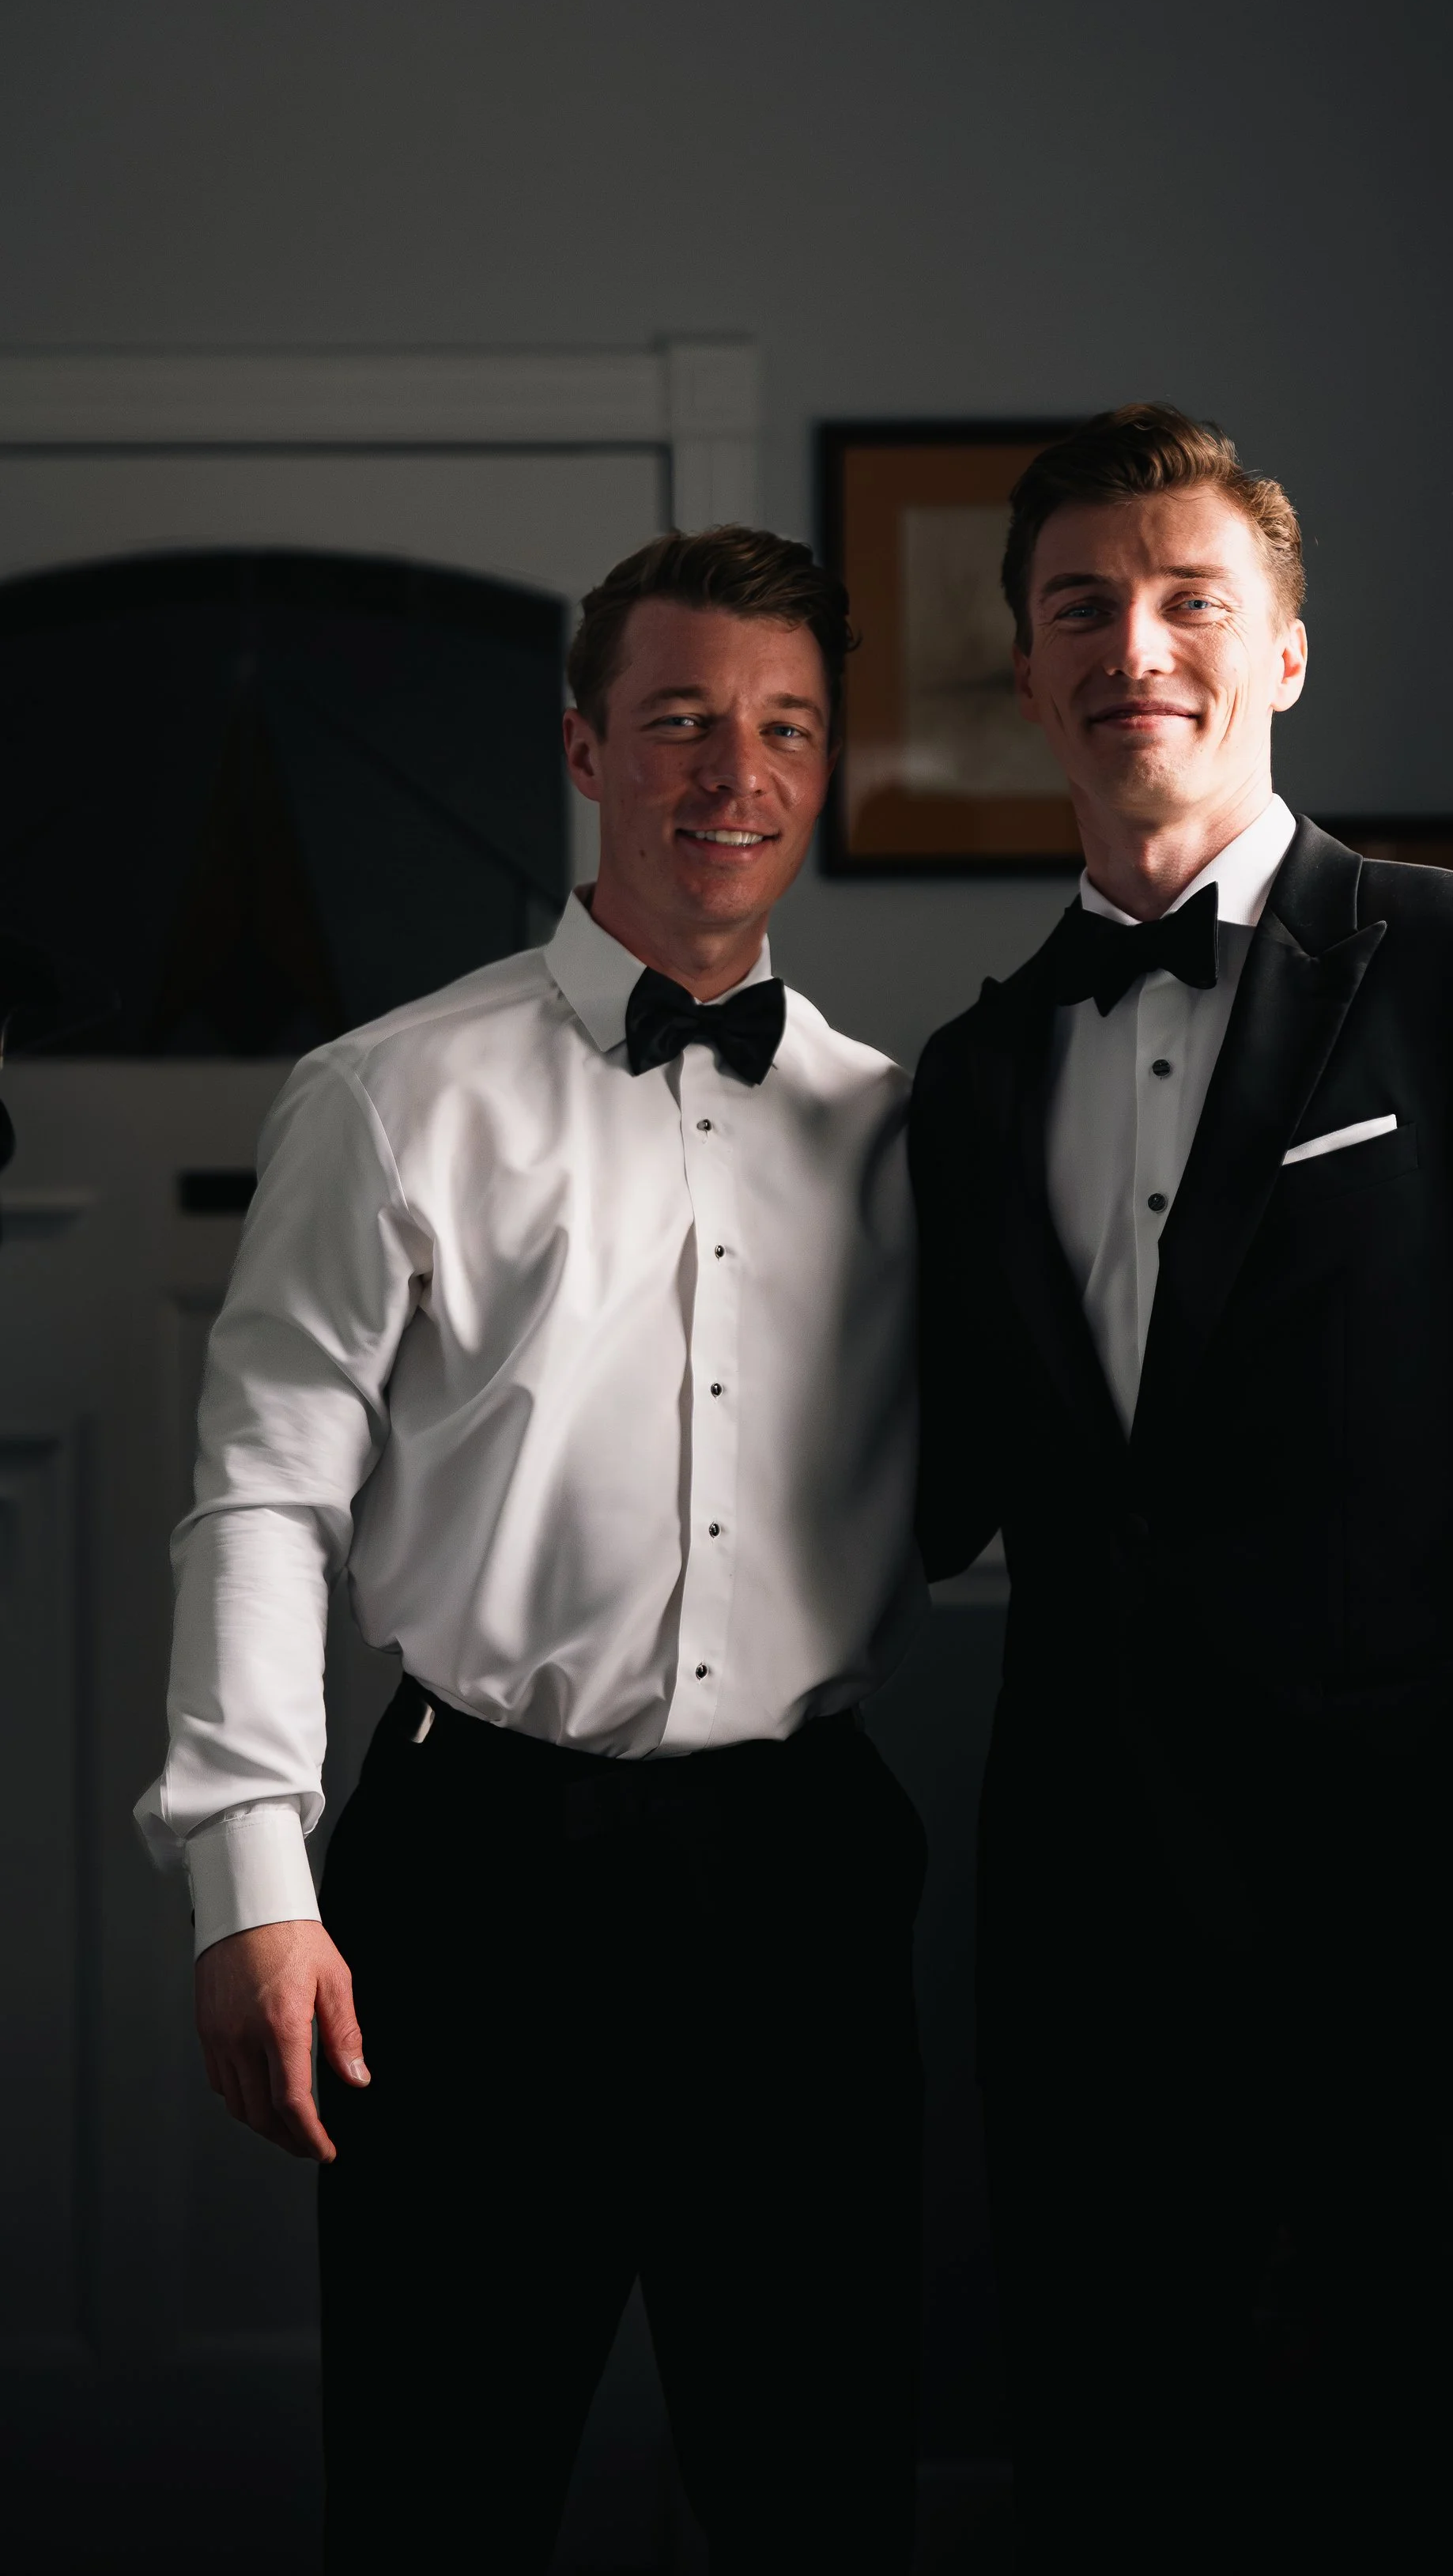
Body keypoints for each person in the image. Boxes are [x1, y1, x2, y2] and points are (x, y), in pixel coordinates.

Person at [909, 405, 1453, 2566]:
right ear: (1024, 671)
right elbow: (908, 1475)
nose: (1136, 644)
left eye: (1191, 596)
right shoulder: (980, 1064)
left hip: (1443, 1935)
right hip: (1088, 1941)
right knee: (1115, 2482)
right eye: (1080, 605)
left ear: (1284, 650)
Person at [137, 527, 926, 2575]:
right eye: (676, 721)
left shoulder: (896, 1125)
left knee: (817, 2484)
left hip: (802, 1872)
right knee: (436, 2487)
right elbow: (261, 1493)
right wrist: (249, 1875)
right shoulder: (388, 1096)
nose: (727, 773)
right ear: (586, 745)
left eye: (779, 728)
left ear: (822, 766)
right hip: (474, 1873)